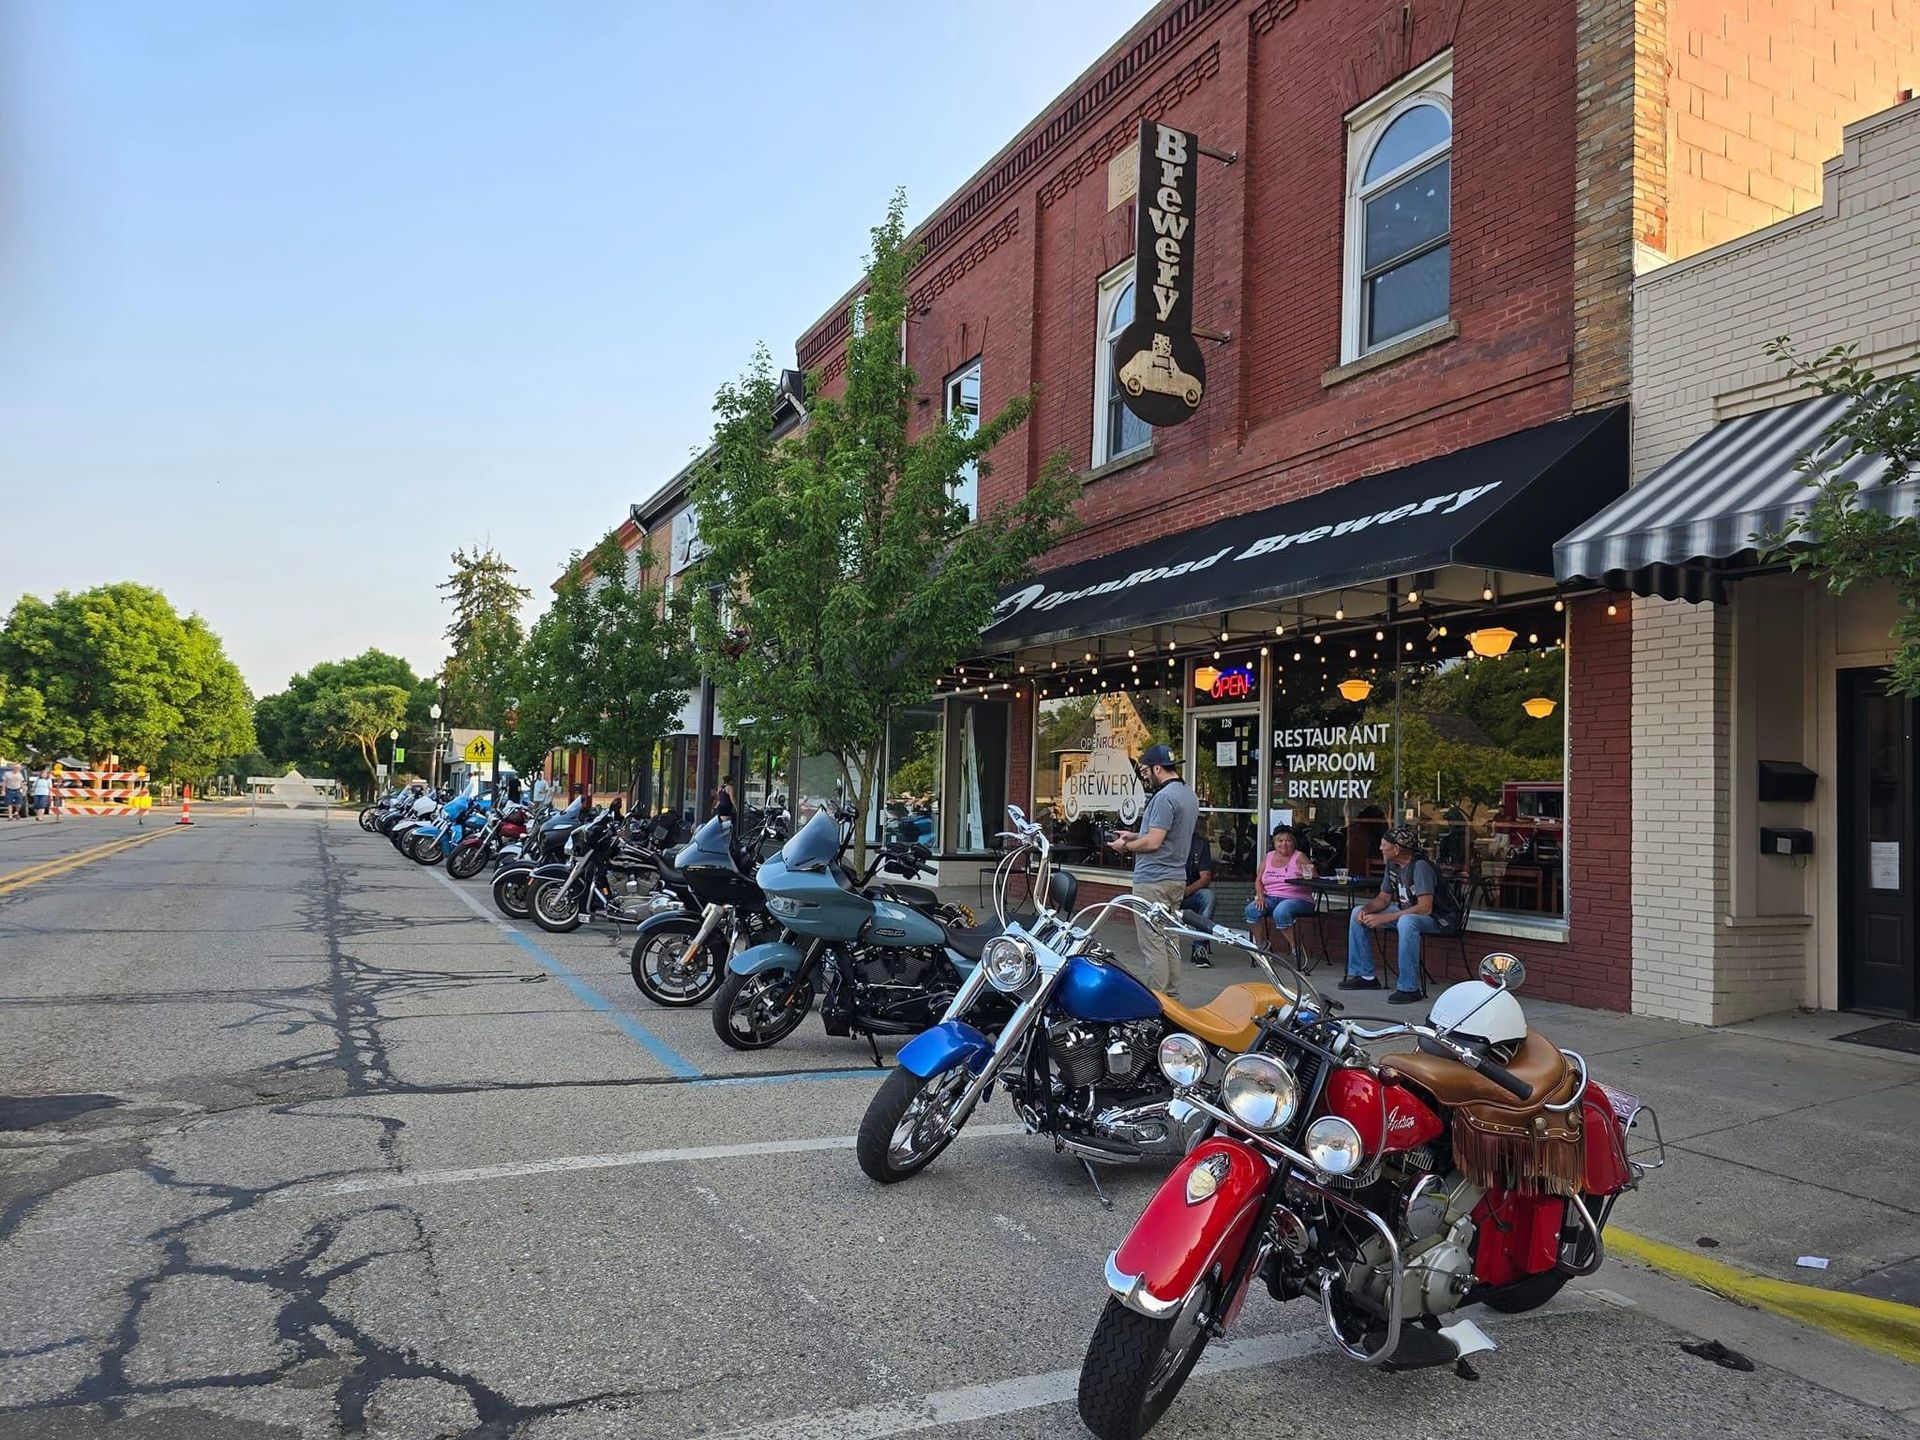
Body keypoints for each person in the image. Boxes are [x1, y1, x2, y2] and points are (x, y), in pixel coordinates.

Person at [1106, 743, 1197, 1000]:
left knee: (1153, 943)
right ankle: (1173, 998)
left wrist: (1125, 846)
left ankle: (1157, 1002)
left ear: (1158, 768)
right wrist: (1135, 834)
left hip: (1153, 881)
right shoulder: (1188, 794)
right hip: (1176, 878)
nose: (1144, 774)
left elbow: (1154, 842)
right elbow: (1166, 836)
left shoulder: (1164, 798)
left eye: (1146, 770)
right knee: (1170, 939)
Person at [1342, 825, 1455, 1004]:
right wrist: (1367, 910)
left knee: (1406, 922)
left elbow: (1425, 908)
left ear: (1396, 848)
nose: (1380, 848)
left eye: (1383, 845)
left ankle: (1409, 988)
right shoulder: (1393, 866)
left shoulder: (1420, 866)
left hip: (1438, 919)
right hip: (1407, 913)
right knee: (1357, 912)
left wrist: (1385, 918)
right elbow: (1383, 899)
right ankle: (1365, 976)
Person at [1245, 825, 1318, 961]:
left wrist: (1307, 873)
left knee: (1281, 911)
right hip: (1270, 897)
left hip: (1297, 898)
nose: (1284, 844)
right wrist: (1260, 897)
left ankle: (1296, 950)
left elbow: (1314, 878)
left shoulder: (1299, 856)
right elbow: (1258, 880)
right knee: (1251, 910)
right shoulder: (1268, 857)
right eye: (1280, 841)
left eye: (1288, 840)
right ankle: (1262, 947)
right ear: (1274, 843)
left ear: (1293, 842)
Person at [1180, 829, 1215, 967]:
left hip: (1188, 892)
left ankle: (1199, 948)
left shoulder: (1199, 844)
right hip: (1166, 889)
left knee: (1209, 896)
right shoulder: (1165, 838)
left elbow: (1205, 877)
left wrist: (1188, 890)